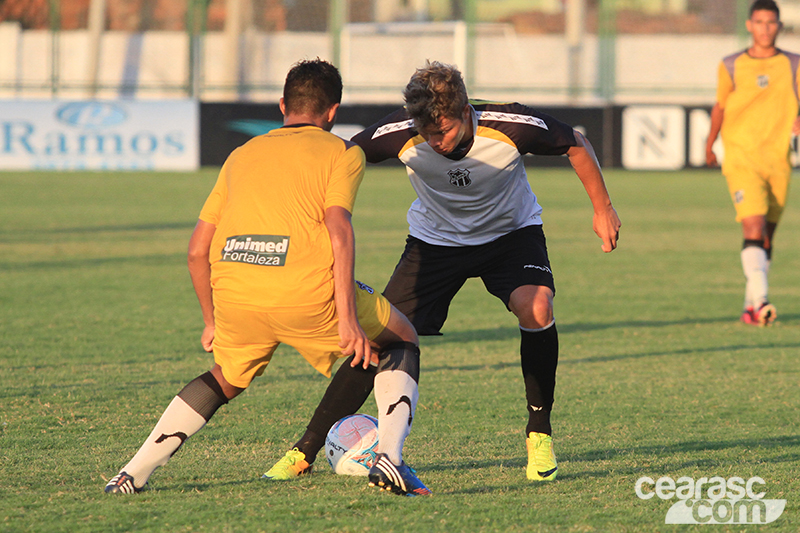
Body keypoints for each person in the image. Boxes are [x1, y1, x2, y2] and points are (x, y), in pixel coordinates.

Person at [263, 60, 621, 483]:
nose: (435, 141)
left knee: (537, 307)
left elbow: (576, 143)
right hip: (435, 243)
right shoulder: (400, 131)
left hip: (510, 235)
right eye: (426, 133)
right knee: (379, 338)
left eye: (444, 131)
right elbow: (341, 156)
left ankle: (539, 433)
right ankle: (304, 450)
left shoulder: (512, 125)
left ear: (465, 111)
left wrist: (603, 208)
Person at [103, 59, 430, 497]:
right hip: (307, 291)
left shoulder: (241, 154)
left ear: (282, 105)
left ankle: (131, 473)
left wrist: (212, 321)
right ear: (333, 111)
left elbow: (197, 250)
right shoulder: (343, 152)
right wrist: (349, 319)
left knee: (224, 378)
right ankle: (389, 457)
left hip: (237, 292)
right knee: (400, 337)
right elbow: (338, 229)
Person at [706, 0, 800, 326]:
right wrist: (709, 143)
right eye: (759, 22)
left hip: (779, 161)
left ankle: (750, 308)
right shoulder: (731, 64)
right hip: (742, 158)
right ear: (749, 25)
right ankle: (761, 302)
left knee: (767, 238)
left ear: (779, 26)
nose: (765, 28)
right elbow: (720, 106)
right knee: (754, 227)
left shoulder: (794, 64)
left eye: (770, 22)